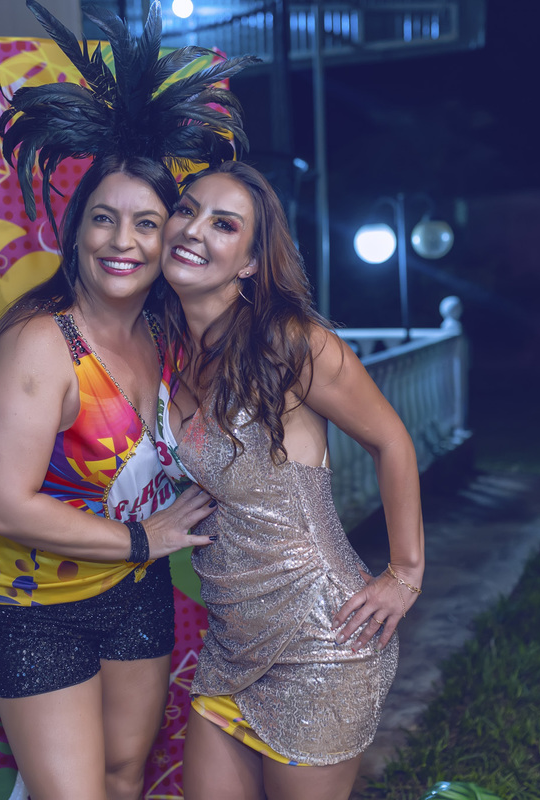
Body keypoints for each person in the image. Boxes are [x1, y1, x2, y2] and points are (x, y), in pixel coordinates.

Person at [0, 3, 255, 799]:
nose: (122, 242)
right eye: (103, 219)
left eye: (146, 224)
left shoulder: (168, 331)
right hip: (34, 604)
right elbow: (1, 503)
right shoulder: (40, 344)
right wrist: (142, 539)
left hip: (132, 589)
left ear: (171, 242)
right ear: (76, 232)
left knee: (126, 777)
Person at [154, 160, 426, 800]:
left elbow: (391, 439)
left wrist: (406, 572)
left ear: (251, 262)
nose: (194, 229)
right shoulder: (170, 349)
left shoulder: (289, 343)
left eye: (224, 225)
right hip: (232, 643)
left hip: (321, 638)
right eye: (187, 210)